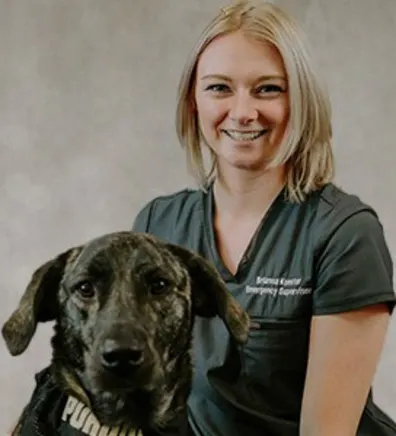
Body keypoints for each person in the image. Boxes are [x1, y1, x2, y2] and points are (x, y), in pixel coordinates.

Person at [132, 1, 396, 435]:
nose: (242, 112)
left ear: (302, 100)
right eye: (219, 88)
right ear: (192, 100)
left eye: (268, 89)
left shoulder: (344, 234)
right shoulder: (157, 225)